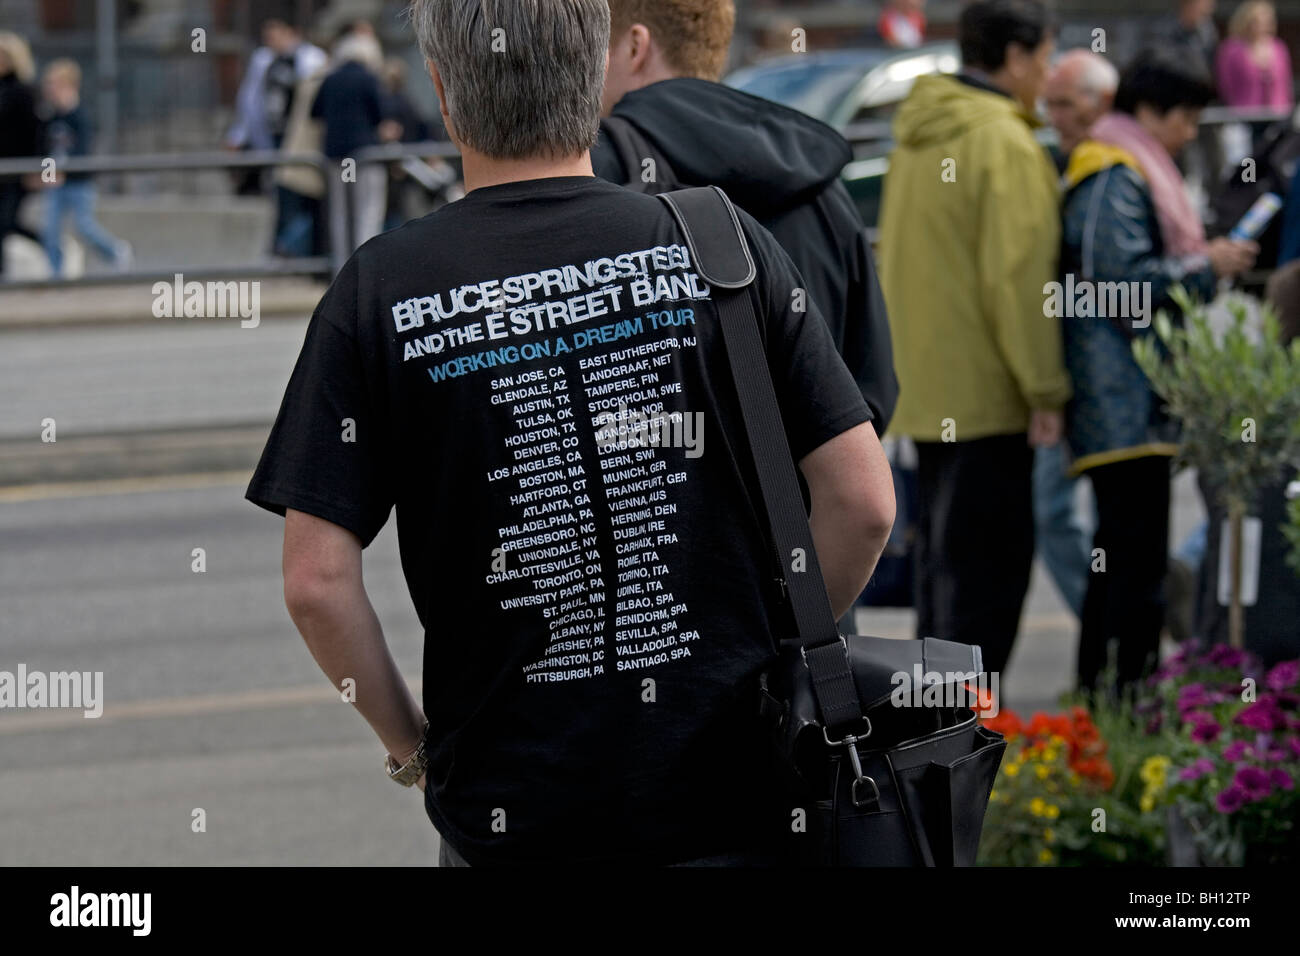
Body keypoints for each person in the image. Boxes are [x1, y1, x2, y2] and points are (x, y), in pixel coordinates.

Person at [245, 0, 895, 867]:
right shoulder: (717, 240)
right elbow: (863, 504)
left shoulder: (380, 290)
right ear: (596, 81)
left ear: (442, 92)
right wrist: (764, 643)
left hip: (514, 818)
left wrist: (415, 752)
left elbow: (317, 583)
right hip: (734, 792)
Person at [594, 0, 898, 438]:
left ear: (636, 46)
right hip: (809, 496)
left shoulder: (604, 172)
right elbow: (873, 388)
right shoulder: (816, 178)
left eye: (601, 51)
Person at [877, 0, 1070, 679]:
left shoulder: (914, 135)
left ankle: (932, 756)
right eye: (1046, 58)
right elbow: (1021, 287)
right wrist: (1045, 389)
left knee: (942, 587)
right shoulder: (1005, 144)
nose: (1047, 76)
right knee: (985, 593)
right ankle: (970, 757)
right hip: (989, 399)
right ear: (1015, 57)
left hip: (926, 395)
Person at [1059, 51, 1258, 697]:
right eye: (1186, 119)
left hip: (1132, 402)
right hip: (1122, 402)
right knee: (1130, 566)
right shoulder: (1115, 173)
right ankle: (1120, 701)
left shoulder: (1126, 164)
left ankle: (1110, 700)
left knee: (1125, 562)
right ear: (1150, 113)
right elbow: (1116, 286)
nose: (1190, 133)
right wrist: (1207, 266)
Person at [1033, 49, 1120, 620]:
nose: (1054, 116)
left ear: (1102, 104)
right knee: (1053, 511)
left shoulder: (1110, 169)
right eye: (1050, 103)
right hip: (1059, 369)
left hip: (1093, 379)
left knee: (1063, 511)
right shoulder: (1055, 161)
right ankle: (1100, 615)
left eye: (1066, 104)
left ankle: (1106, 620)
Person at [37, 59, 131, 277]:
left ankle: (115, 251)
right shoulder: (50, 116)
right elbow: (45, 149)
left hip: (78, 182)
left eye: (57, 85)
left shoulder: (80, 116)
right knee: (50, 231)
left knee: (84, 225)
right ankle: (56, 276)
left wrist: (63, 171)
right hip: (55, 183)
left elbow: (81, 151)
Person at [311, 30, 390, 262]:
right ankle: (366, 263)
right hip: (365, 153)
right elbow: (381, 114)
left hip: (337, 155)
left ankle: (342, 264)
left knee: (340, 213)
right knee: (368, 210)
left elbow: (315, 113)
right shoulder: (368, 78)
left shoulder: (330, 78)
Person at [225, 21, 326, 196]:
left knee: (299, 187)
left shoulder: (312, 59)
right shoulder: (263, 60)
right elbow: (250, 100)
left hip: (300, 133)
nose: (271, 42)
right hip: (273, 133)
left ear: (290, 33)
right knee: (279, 188)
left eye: (274, 37)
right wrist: (237, 134)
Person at [0, 32, 40, 278]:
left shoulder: (24, 92)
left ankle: (50, 242)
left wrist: (39, 171)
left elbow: (38, 135)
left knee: (5, 223)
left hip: (17, 170)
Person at [1216, 2, 1293, 109]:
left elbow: (1286, 84)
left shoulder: (1279, 48)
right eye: (1257, 22)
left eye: (1267, 22)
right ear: (1245, 22)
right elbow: (1226, 86)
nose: (1262, 26)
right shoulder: (1231, 50)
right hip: (1243, 115)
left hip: (1278, 114)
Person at [1147, 0, 1220, 81]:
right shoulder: (1162, 31)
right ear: (1187, 4)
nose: (1210, 10)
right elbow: (1163, 64)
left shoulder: (1207, 32)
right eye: (1204, 5)